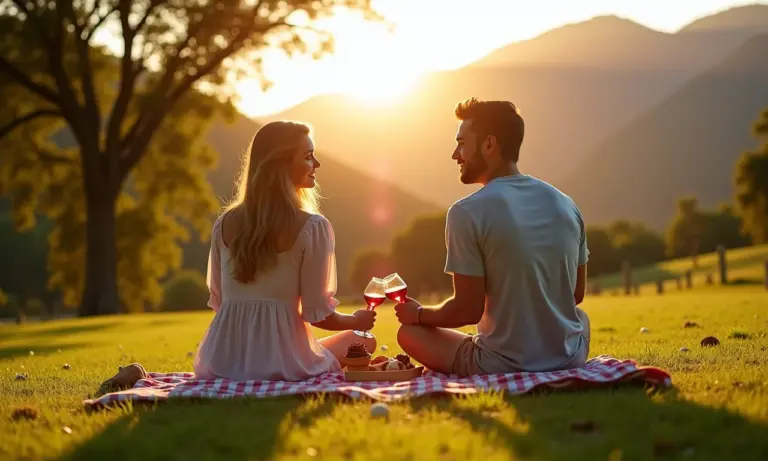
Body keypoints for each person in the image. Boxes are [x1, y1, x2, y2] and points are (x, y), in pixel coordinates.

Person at [394, 97, 591, 376]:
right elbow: (576, 294)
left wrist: (418, 314)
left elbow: (467, 311)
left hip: (500, 364)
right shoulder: (566, 204)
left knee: (409, 333)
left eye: (462, 143)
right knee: (580, 317)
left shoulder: (466, 212)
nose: (455, 154)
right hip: (569, 357)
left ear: (489, 144)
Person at [193, 121, 377, 382]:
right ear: (281, 164)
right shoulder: (312, 227)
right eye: (308, 156)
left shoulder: (223, 224)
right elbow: (318, 315)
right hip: (286, 366)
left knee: (328, 344)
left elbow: (220, 302)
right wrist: (356, 321)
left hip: (220, 362)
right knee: (363, 340)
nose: (317, 164)